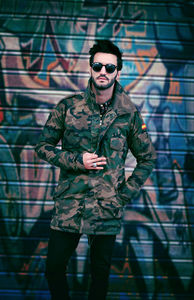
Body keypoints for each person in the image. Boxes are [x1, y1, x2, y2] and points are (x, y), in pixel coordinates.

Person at [35, 39, 156, 300]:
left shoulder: (128, 114)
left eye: (110, 68)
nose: (103, 71)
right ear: (90, 68)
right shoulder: (68, 107)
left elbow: (147, 159)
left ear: (118, 72)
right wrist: (79, 161)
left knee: (99, 276)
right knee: (54, 268)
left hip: (106, 208)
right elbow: (43, 147)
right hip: (70, 203)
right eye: (98, 65)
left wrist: (122, 195)